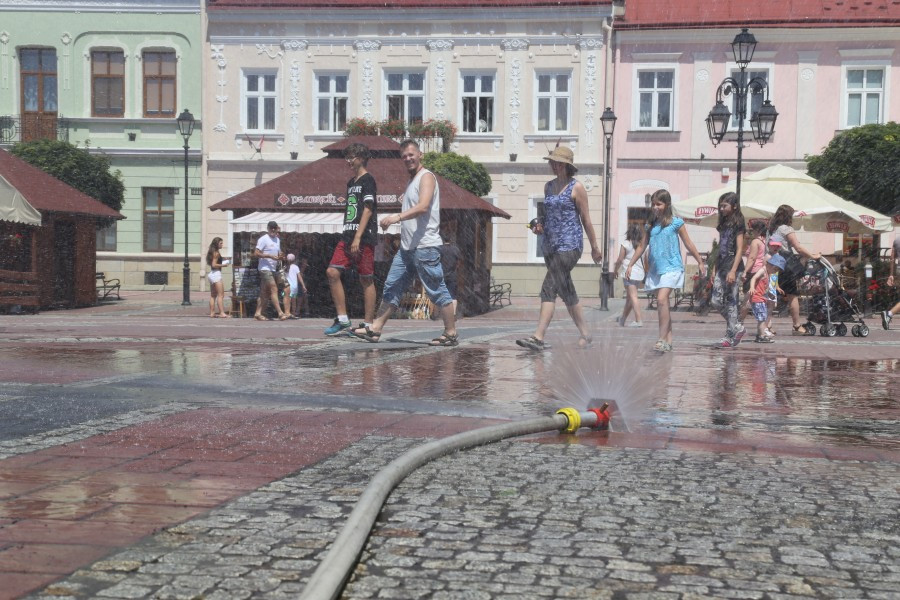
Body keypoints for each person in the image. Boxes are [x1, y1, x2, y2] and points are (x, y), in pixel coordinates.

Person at [348, 139, 458, 346]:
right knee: (392, 286)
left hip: (425, 246)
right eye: (404, 156)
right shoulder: (412, 181)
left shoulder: (426, 177)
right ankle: (376, 329)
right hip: (407, 248)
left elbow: (423, 206)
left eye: (411, 154)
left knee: (436, 289)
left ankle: (451, 333)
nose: (408, 159)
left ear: (420, 154)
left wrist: (396, 218)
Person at [515, 146, 602, 351]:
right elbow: (548, 217)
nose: (552, 165)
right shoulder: (548, 186)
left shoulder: (576, 187)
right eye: (551, 162)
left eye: (556, 162)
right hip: (551, 246)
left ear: (565, 165)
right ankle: (586, 334)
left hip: (570, 245)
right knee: (566, 291)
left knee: (549, 287)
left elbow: (586, 220)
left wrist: (595, 247)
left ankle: (538, 337)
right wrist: (539, 226)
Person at [625, 189, 706, 352]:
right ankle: (668, 340)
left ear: (667, 205)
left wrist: (699, 261)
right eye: (653, 204)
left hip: (672, 267)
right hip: (656, 270)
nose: (655, 207)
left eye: (659, 204)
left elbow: (688, 243)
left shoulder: (676, 223)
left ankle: (661, 339)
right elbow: (642, 246)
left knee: (662, 300)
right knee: (664, 305)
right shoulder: (650, 225)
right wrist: (630, 264)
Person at [325, 143, 379, 336]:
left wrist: (358, 236)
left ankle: (367, 324)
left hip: (363, 237)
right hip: (347, 235)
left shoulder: (368, 180)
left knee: (366, 279)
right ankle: (343, 319)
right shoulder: (351, 183)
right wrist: (350, 234)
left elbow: (368, 208)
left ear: (361, 158)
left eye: (352, 157)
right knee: (332, 272)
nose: (348, 161)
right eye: (347, 157)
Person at [766, 204, 820, 335]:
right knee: (792, 296)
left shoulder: (771, 229)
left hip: (772, 264)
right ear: (788, 216)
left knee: (772, 295)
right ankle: (796, 326)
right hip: (785, 265)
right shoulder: (786, 228)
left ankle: (766, 325)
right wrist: (813, 256)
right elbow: (798, 248)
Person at [710, 192, 747, 348]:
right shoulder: (723, 224)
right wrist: (714, 267)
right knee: (716, 301)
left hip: (734, 267)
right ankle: (737, 326)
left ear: (734, 206)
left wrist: (733, 270)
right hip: (722, 266)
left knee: (731, 301)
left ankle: (729, 336)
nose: (721, 208)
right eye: (720, 205)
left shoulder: (738, 223)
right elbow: (720, 247)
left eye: (724, 205)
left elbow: (740, 249)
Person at [253, 221, 288, 321]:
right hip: (264, 268)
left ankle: (258, 313)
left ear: (277, 228)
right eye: (271, 228)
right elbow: (256, 253)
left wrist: (281, 256)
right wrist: (269, 256)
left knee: (264, 292)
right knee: (274, 288)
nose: (273, 230)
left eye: (274, 228)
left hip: (273, 268)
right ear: (268, 228)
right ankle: (280, 313)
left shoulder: (277, 239)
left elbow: (279, 252)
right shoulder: (263, 239)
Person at [613, 223, 645, 327]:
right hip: (639, 273)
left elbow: (620, 259)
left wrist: (615, 270)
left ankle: (638, 320)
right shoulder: (642, 245)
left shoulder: (626, 244)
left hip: (629, 272)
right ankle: (623, 319)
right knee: (629, 298)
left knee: (633, 296)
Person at [748, 254, 785, 343]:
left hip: (761, 298)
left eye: (777, 270)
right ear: (769, 264)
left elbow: (764, 288)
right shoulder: (762, 270)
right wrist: (752, 287)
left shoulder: (768, 274)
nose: (775, 271)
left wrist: (769, 295)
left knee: (762, 318)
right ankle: (761, 336)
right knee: (762, 318)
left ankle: (759, 335)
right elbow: (754, 278)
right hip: (757, 298)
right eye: (775, 269)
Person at [739, 220, 767, 325]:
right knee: (759, 298)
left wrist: (745, 272)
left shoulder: (755, 242)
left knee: (747, 299)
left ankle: (739, 322)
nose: (751, 232)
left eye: (753, 230)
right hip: (761, 272)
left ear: (758, 230)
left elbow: (752, 258)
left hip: (753, 271)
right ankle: (765, 325)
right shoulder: (764, 241)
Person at [206, 237, 231, 318]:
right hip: (216, 274)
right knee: (221, 295)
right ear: (216, 244)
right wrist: (224, 265)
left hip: (212, 274)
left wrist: (222, 259)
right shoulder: (216, 253)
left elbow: (213, 262)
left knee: (213, 295)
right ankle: (222, 313)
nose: (222, 245)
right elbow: (214, 264)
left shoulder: (212, 251)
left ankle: (212, 313)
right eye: (220, 243)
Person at [438, 235, 461, 317]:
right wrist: (455, 268)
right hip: (452, 275)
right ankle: (453, 313)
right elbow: (459, 262)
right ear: (450, 239)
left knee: (441, 294)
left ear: (443, 240)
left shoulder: (440, 249)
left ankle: (440, 313)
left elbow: (436, 261)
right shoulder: (455, 249)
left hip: (442, 275)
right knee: (453, 295)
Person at [882, 234, 900, 329]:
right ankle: (889, 314)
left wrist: (891, 274)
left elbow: (892, 258)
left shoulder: (897, 239)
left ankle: (889, 314)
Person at [285, 253, 306, 319]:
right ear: (294, 260)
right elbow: (299, 277)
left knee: (287, 299)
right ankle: (293, 313)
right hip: (294, 286)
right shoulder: (296, 267)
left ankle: (287, 312)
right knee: (294, 300)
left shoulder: (285, 267)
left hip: (287, 286)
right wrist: (303, 286)